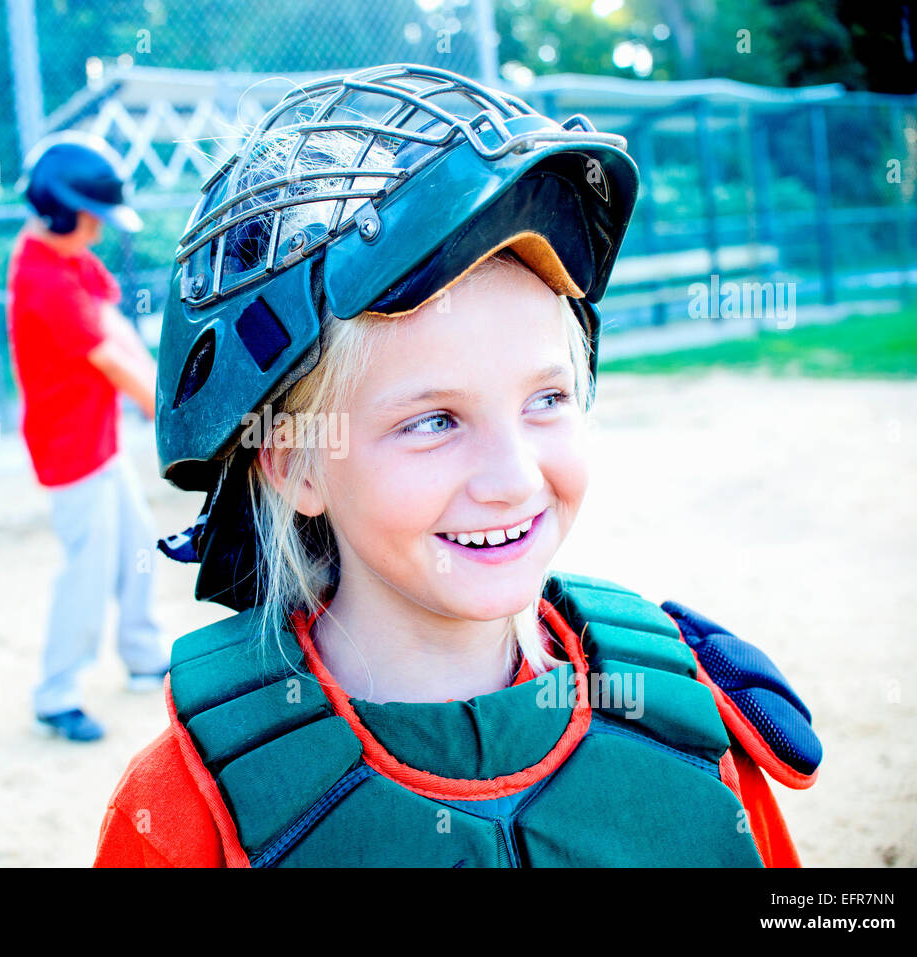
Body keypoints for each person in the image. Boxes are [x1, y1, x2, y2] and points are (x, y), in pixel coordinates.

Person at [94, 64, 821, 865]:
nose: (512, 478)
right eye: (434, 420)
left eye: (546, 399)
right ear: (297, 465)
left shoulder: (695, 728)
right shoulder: (186, 809)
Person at [7, 131, 170, 743]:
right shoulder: (42, 278)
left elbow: (119, 332)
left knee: (136, 542)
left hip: (98, 442)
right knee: (90, 570)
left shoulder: (71, 258)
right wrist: (171, 414)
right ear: (57, 208)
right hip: (70, 450)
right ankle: (56, 693)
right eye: (92, 217)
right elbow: (114, 363)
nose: (99, 230)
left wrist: (168, 396)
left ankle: (142, 652)